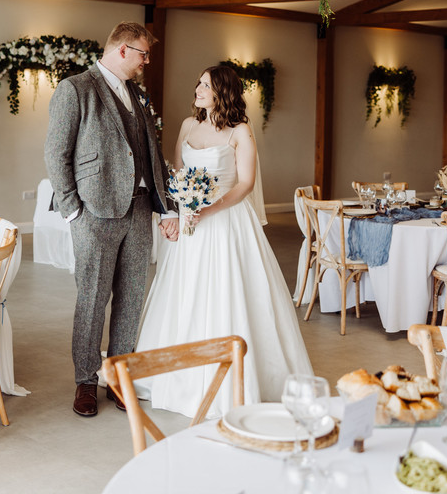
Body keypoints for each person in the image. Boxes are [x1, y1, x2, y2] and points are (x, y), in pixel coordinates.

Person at [134, 65, 313, 419]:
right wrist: (178, 208)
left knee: (227, 290)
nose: (198, 89)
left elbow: (245, 183)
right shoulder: (187, 125)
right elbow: (176, 171)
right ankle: (179, 372)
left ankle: (235, 377)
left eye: (206, 84)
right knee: (185, 292)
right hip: (190, 222)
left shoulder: (240, 131)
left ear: (222, 92)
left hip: (227, 221)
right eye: (198, 82)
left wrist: (210, 208)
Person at [44, 21, 179, 418]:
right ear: (122, 50)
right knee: (92, 300)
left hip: (139, 211)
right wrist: (73, 210)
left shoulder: (136, 94)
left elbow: (151, 154)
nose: (146, 62)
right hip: (93, 213)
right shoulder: (76, 88)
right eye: (142, 54)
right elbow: (56, 153)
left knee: (131, 298)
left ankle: (118, 377)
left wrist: (165, 205)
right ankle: (86, 382)